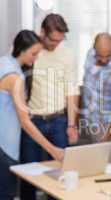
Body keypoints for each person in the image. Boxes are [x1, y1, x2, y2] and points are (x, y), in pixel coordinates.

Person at [20, 14, 79, 200]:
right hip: (33, 120)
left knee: (62, 170)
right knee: (29, 172)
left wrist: (71, 124)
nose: (55, 45)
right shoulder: (30, 50)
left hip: (59, 120)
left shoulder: (67, 54)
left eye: (59, 40)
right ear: (42, 32)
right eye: (52, 40)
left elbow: (72, 90)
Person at [0, 30, 64, 200]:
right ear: (21, 49)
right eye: (33, 53)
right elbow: (25, 122)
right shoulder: (15, 78)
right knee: (6, 193)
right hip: (5, 147)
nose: (35, 59)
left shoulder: (4, 63)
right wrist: (53, 150)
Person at [80, 32, 111, 162]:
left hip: (107, 127)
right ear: (94, 48)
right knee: (89, 164)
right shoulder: (90, 56)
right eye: (100, 55)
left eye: (107, 55)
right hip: (89, 122)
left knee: (108, 165)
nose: (103, 59)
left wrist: (106, 140)